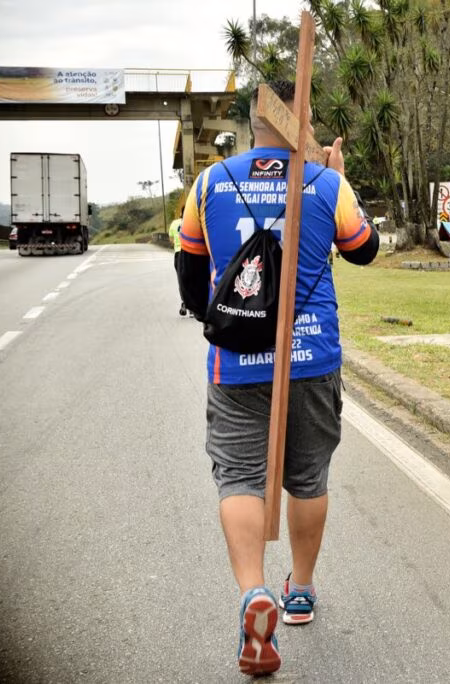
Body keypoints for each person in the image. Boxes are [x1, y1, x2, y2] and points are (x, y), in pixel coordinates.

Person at [176, 80, 379, 676]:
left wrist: (222, 318)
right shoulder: (325, 182)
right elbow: (364, 250)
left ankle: (252, 593)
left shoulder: (210, 182)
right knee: (307, 474)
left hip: (237, 358)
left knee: (239, 475)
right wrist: (336, 176)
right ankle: (301, 589)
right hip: (312, 355)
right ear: (300, 120)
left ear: (254, 122)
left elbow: (191, 277)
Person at [168, 214, 186, 316]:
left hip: (178, 254)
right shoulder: (193, 221)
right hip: (191, 252)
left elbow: (171, 240)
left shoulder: (174, 223)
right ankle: (194, 306)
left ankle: (184, 303)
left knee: (181, 280)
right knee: (193, 279)